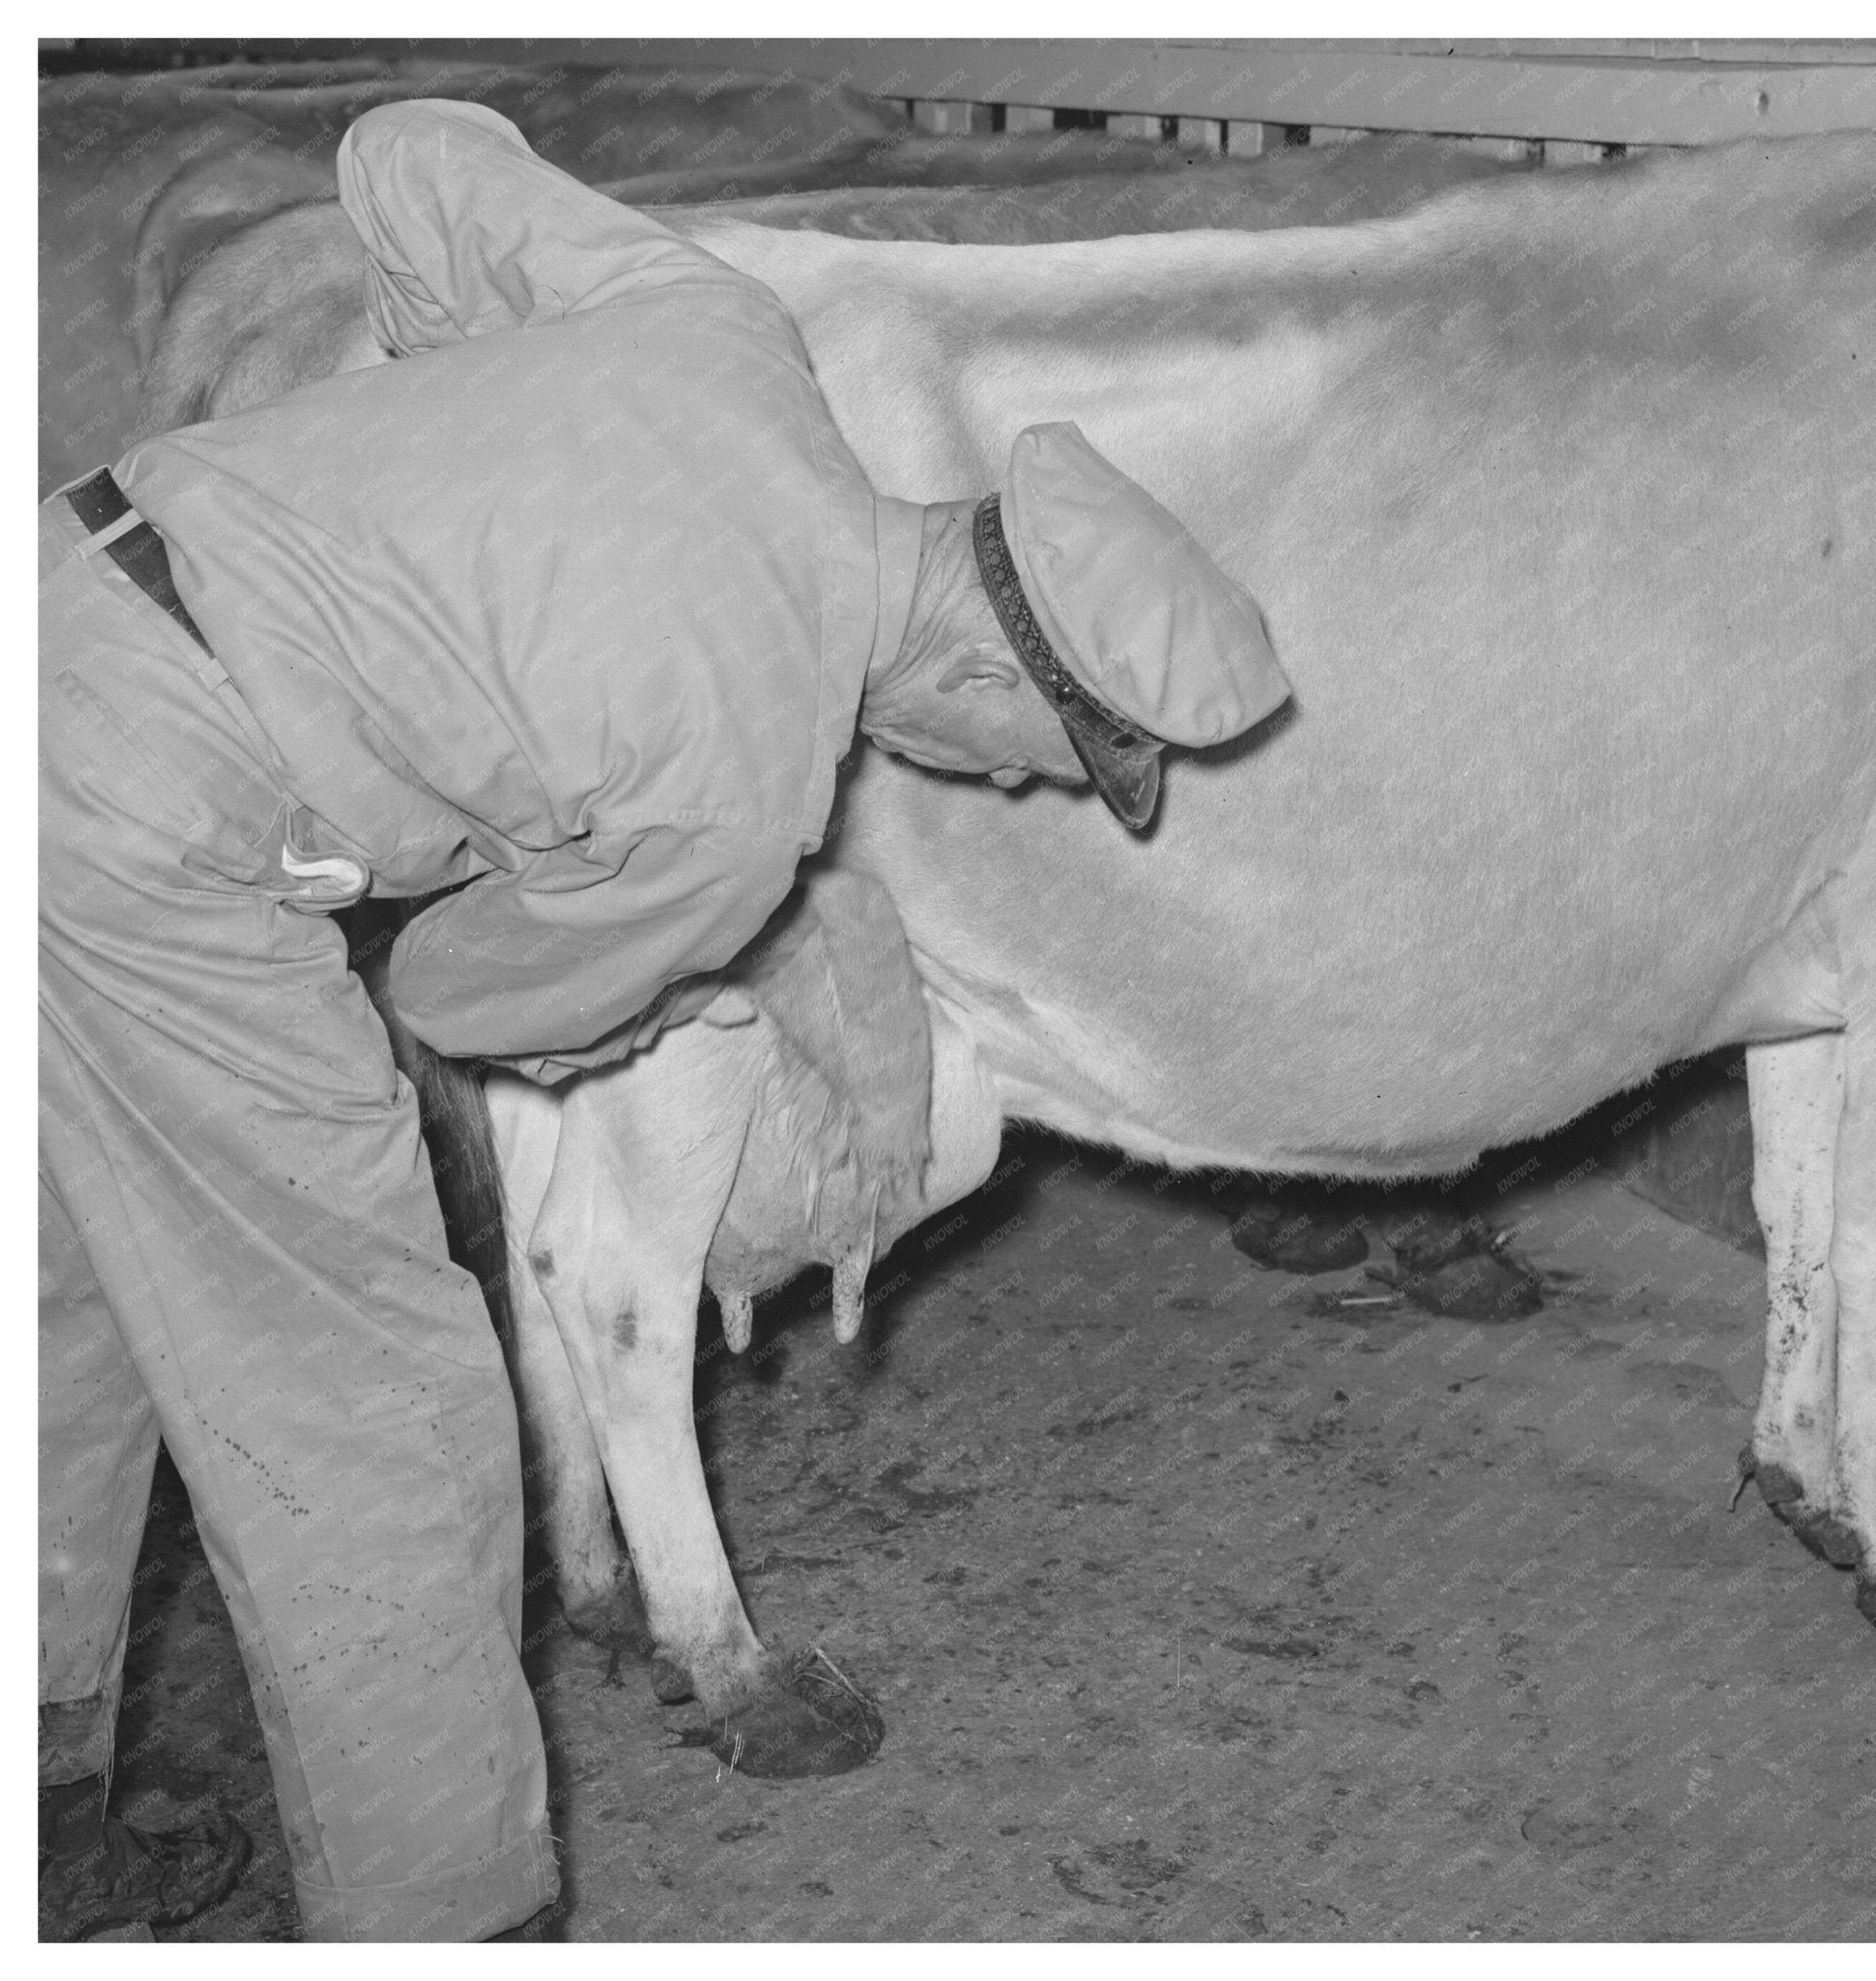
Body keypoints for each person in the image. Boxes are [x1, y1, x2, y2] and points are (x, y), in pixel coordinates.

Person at [39, 99, 1291, 1941]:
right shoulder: (745, 793)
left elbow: (405, 155)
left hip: (54, 586)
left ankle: (42, 1786)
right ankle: (450, 1920)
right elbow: (452, 995)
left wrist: (482, 495)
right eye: (1062, 765)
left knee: (75, 1283)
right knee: (376, 1399)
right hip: (144, 822)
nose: (1027, 795)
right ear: (978, 663)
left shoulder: (726, 347)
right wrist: (593, 896)